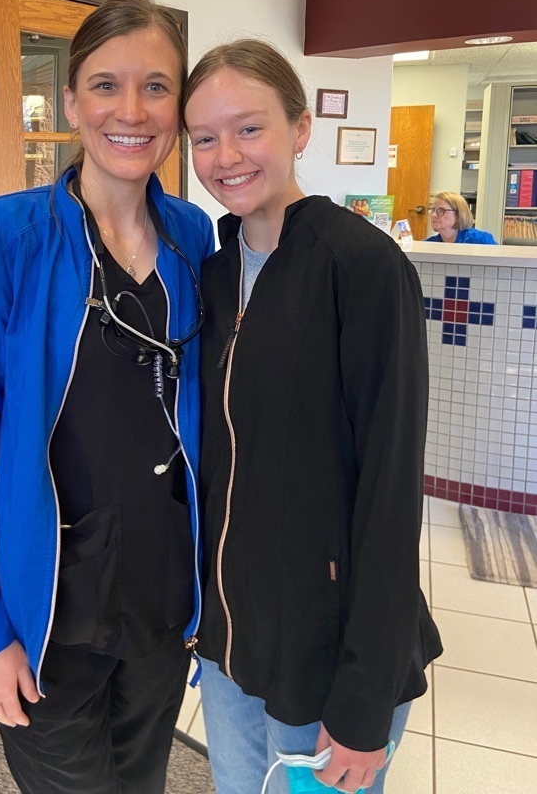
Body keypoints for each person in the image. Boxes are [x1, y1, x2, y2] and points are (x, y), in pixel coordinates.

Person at [0, 0, 214, 794]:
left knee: (142, 783)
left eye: (156, 87)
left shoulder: (195, 238)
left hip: (160, 604)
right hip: (50, 610)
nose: (131, 110)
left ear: (179, 106)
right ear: (71, 101)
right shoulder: (6, 237)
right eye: (105, 85)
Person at [183, 40, 442, 794]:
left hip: (328, 658)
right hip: (231, 648)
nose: (225, 155)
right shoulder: (211, 272)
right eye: (204, 137)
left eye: (249, 128)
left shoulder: (361, 267)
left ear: (300, 129)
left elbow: (391, 490)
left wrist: (366, 694)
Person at [425, 191, 497, 244]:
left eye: (441, 210)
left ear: (458, 215)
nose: (434, 215)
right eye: (433, 210)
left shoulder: (481, 240)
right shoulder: (428, 244)